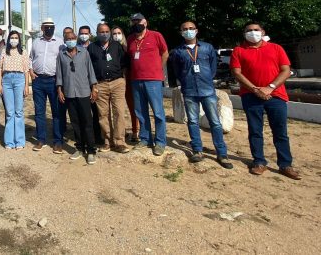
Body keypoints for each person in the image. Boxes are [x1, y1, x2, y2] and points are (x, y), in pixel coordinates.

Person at [230, 22, 301, 180]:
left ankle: (285, 164)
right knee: (255, 131)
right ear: (244, 34)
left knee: (280, 131)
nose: (253, 32)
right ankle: (259, 162)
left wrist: (270, 87)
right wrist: (255, 89)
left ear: (262, 32)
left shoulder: (276, 48)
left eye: (256, 30)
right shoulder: (239, 50)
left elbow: (286, 70)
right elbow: (237, 73)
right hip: (251, 96)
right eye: (249, 30)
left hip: (276, 96)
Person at [170, 21, 233, 169]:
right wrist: (185, 81)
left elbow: (212, 67)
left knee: (215, 122)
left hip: (207, 90)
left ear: (197, 30)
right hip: (189, 91)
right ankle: (197, 150)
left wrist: (207, 79)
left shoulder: (207, 48)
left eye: (191, 28)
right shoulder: (178, 51)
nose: (188, 31)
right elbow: (177, 70)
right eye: (184, 29)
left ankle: (221, 153)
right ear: (181, 32)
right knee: (192, 121)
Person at [126, 13, 168, 156]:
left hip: (153, 80)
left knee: (157, 112)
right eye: (133, 21)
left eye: (138, 21)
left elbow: (165, 53)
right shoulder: (130, 39)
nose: (136, 23)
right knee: (140, 112)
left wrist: (158, 69)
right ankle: (145, 139)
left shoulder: (156, 35)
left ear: (145, 22)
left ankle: (160, 142)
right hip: (136, 80)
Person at [87, 23, 130, 153]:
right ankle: (107, 141)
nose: (104, 33)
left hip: (117, 83)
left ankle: (119, 142)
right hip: (100, 84)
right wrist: (93, 86)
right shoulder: (92, 47)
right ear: (97, 32)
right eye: (101, 31)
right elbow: (89, 68)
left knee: (119, 113)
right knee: (103, 114)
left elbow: (125, 63)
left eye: (106, 31)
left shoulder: (117, 46)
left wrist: (123, 79)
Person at [57, 31, 99, 164]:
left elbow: (90, 71)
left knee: (87, 121)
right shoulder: (61, 55)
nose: (70, 40)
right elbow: (59, 74)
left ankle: (91, 150)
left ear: (76, 39)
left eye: (72, 38)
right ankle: (80, 148)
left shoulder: (84, 53)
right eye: (68, 39)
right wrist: (59, 90)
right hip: (69, 92)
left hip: (84, 92)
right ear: (64, 40)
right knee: (75, 122)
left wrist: (94, 88)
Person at [29, 17, 66, 153]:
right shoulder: (36, 42)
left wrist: (61, 82)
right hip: (38, 81)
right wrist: (31, 72)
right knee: (39, 112)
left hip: (54, 81)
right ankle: (41, 139)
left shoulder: (60, 43)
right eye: (46, 26)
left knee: (57, 113)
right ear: (42, 28)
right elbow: (30, 58)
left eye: (51, 26)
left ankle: (58, 141)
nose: (49, 28)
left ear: (54, 28)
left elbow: (64, 61)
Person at [0, 30, 30, 149]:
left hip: (19, 80)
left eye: (16, 38)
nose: (14, 40)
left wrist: (26, 86)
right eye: (12, 37)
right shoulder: (4, 52)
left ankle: (20, 141)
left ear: (19, 40)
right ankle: (9, 142)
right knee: (9, 112)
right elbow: (0, 69)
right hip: (6, 80)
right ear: (8, 39)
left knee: (18, 111)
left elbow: (26, 70)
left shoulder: (23, 52)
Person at [112, 25, 139, 142]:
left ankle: (135, 131)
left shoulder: (128, 48)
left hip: (128, 81)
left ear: (122, 34)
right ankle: (118, 132)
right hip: (114, 82)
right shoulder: (109, 49)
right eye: (114, 33)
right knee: (117, 110)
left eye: (119, 33)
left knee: (132, 107)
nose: (116, 35)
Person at [79, 25, 103, 145]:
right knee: (84, 112)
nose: (84, 35)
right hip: (81, 84)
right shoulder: (76, 48)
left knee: (96, 111)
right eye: (82, 33)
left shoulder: (95, 47)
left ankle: (97, 136)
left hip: (94, 82)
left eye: (86, 33)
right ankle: (84, 137)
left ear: (90, 34)